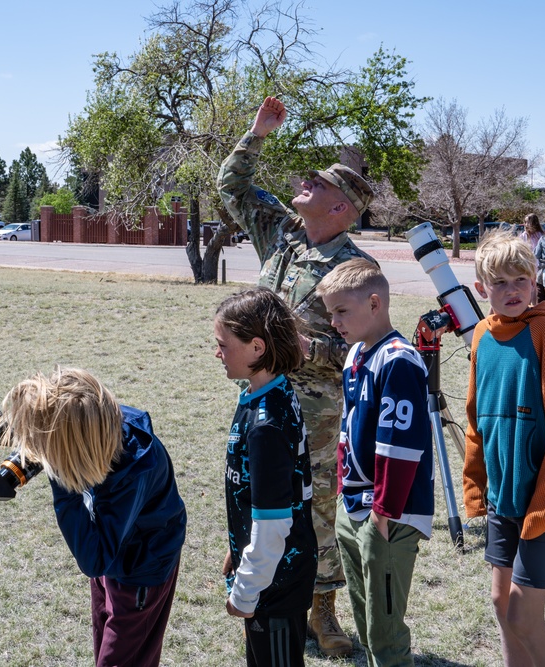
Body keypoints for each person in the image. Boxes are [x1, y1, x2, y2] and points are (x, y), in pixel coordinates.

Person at [217, 95, 376, 658]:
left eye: (322, 182)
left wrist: (310, 350)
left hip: (316, 411)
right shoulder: (281, 237)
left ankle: (321, 610)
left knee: (317, 506)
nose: (307, 180)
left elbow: (364, 345)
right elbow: (231, 187)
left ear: (342, 209)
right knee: (256, 490)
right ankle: (256, 581)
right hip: (260, 398)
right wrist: (256, 133)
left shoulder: (356, 269)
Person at [0, 367, 187, 667]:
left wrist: (62, 478)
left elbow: (93, 560)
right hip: (113, 552)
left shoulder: (133, 470)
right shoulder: (100, 422)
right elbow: (71, 427)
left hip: (140, 571)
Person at [464, 231, 545, 667]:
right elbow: (475, 418)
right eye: (499, 282)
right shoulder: (481, 336)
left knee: (523, 615)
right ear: (481, 288)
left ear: (536, 280)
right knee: (502, 605)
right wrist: (476, 485)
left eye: (520, 279)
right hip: (505, 496)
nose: (511, 290)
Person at [316, 259, 434, 667]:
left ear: (374, 303)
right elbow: (350, 432)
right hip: (355, 505)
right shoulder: (354, 356)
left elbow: (399, 446)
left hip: (387, 514)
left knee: (385, 632)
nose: (334, 322)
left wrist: (384, 513)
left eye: (341, 311)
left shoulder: (398, 360)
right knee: (366, 621)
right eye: (330, 313)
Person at [214, 287, 317, 667]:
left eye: (224, 344)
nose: (218, 353)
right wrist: (238, 547)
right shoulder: (265, 395)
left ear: (257, 348)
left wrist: (244, 592)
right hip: (267, 572)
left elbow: (274, 524)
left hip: (275, 584)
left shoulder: (267, 424)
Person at [518, 213, 545, 305]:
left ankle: (535, 306)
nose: (526, 224)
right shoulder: (523, 236)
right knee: (528, 287)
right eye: (525, 222)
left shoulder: (540, 235)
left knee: (536, 288)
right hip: (527, 265)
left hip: (539, 266)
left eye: (528, 222)